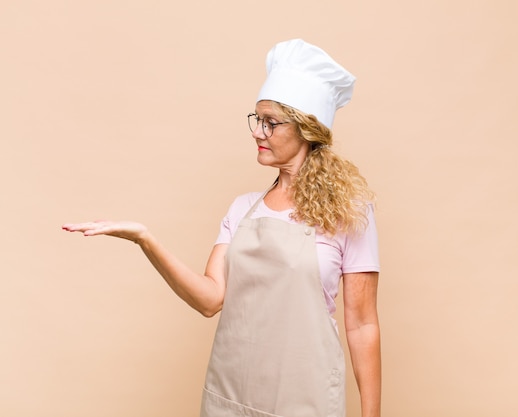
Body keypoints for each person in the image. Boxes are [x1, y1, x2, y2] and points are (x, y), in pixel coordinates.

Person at [63, 38, 381, 417]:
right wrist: (145, 239)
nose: (257, 132)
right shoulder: (243, 208)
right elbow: (210, 300)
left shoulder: (348, 213)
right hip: (231, 396)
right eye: (256, 119)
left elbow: (362, 325)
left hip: (305, 400)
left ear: (305, 129)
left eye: (270, 122)